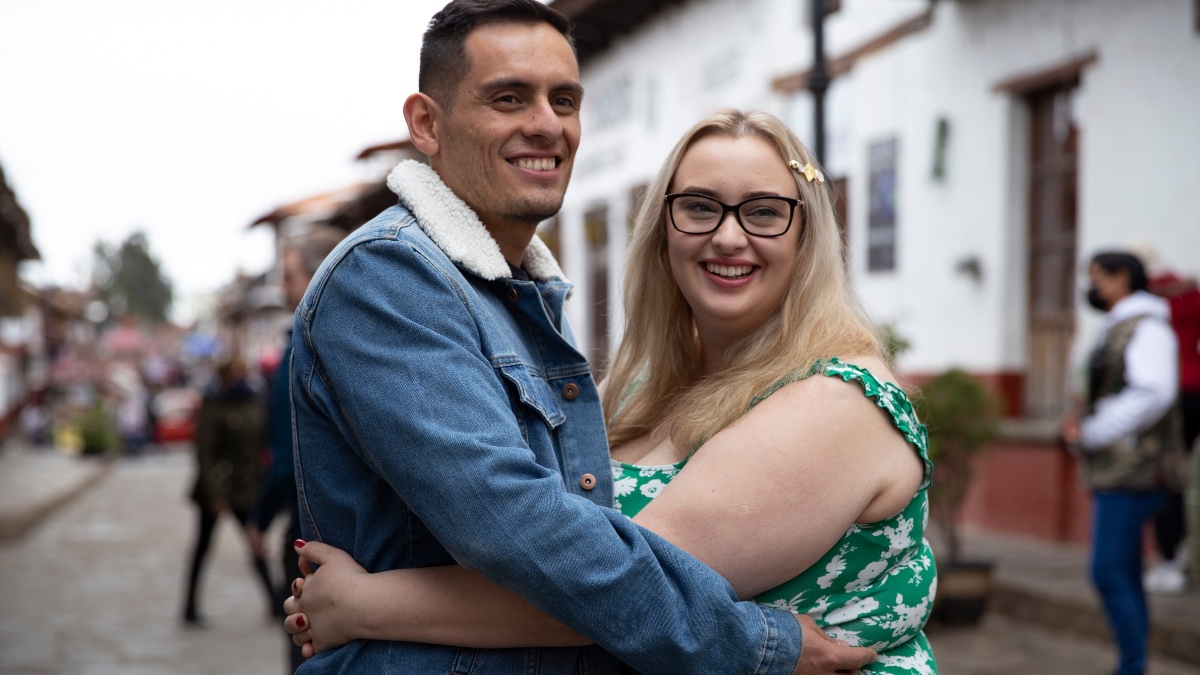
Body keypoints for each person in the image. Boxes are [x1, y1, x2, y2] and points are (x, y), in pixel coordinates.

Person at [283, 1, 874, 673]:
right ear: (426, 123)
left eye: (564, 99)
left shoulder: (512, 292)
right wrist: (757, 644)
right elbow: (522, 527)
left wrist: (365, 603)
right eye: (508, 98)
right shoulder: (389, 277)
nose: (546, 125)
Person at [1064, 251, 1186, 675]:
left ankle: (1131, 667)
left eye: (1100, 278)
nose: (1093, 287)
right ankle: (1132, 664)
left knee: (1108, 571)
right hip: (1115, 468)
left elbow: (1153, 392)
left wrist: (1097, 429)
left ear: (1123, 278)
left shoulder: (1148, 328)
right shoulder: (1118, 325)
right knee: (1126, 571)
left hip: (1136, 470)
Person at [247, 227, 345, 668]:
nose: (283, 287)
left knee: (306, 648)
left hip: (313, 532)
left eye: (289, 275)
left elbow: (289, 455)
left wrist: (261, 516)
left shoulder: (303, 351)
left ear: (319, 274)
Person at [182, 356, 274, 626]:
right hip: (217, 489)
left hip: (246, 487)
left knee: (255, 540)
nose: (240, 378)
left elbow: (261, 443)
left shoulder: (254, 399)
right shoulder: (213, 404)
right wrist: (216, 495)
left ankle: (274, 602)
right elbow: (205, 453)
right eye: (235, 374)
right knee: (202, 547)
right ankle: (189, 607)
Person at [1145, 268, 1200, 593]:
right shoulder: (1193, 298)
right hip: (1196, 391)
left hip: (1172, 394)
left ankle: (1172, 559)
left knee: (1166, 479)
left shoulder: (1152, 305)